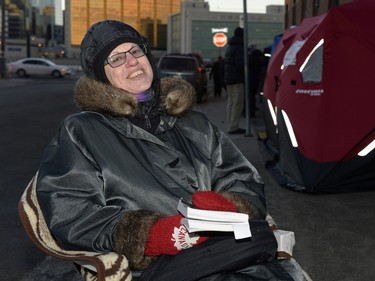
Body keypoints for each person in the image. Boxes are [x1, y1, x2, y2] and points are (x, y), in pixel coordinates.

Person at [35, 20, 307, 280]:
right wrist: (149, 237)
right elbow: (70, 213)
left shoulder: (193, 122)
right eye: (116, 58)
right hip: (159, 268)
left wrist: (230, 204)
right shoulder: (82, 131)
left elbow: (242, 177)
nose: (132, 61)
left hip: (232, 253)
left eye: (135, 50)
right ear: (100, 77)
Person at [224, 27, 246, 134]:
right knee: (238, 103)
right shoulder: (239, 48)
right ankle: (233, 126)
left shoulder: (230, 47)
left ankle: (230, 124)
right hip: (237, 78)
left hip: (229, 78)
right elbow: (240, 64)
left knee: (231, 102)